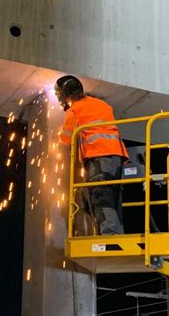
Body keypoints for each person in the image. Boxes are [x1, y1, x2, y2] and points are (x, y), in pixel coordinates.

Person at [55, 75, 129, 235]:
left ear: (65, 94)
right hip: (117, 156)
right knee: (113, 196)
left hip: (98, 155)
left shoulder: (74, 111)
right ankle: (117, 234)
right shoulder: (102, 105)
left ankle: (110, 235)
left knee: (100, 194)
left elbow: (66, 139)